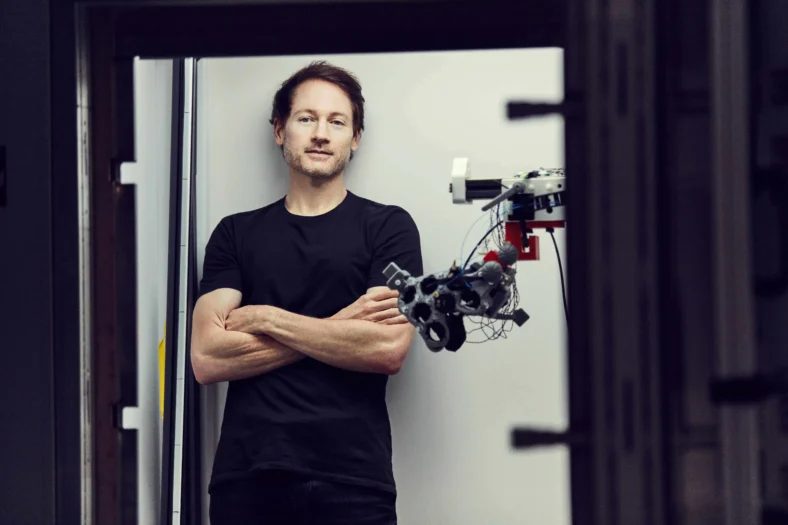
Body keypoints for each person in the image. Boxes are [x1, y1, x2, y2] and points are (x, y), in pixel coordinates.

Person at [191, 61, 423, 525]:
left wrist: (265, 318)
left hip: (355, 479)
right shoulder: (235, 233)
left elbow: (387, 348)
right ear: (280, 130)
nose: (321, 133)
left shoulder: (389, 227)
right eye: (306, 118)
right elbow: (207, 358)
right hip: (248, 476)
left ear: (355, 138)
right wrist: (344, 324)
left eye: (337, 121)